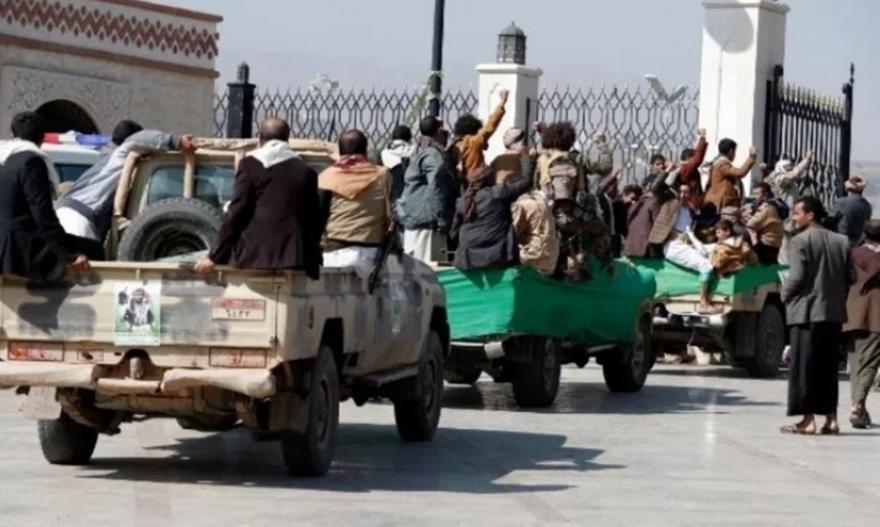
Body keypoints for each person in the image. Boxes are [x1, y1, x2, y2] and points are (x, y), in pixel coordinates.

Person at [195, 118, 321, 278]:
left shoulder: (250, 164)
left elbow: (238, 211)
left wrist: (214, 256)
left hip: (255, 256)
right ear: (287, 139)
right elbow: (313, 219)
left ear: (260, 138)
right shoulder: (306, 171)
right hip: (295, 258)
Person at [780, 196, 853, 435]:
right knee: (828, 368)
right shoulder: (842, 241)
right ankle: (831, 419)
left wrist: (784, 295)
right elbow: (851, 276)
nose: (794, 217)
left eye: (797, 213)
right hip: (832, 314)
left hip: (806, 312)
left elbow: (796, 276)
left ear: (810, 215)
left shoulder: (800, 241)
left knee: (804, 367)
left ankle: (808, 420)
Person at [55, 120, 196, 241]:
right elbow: (138, 139)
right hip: (77, 219)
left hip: (66, 217)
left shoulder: (106, 160)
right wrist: (176, 141)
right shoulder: (119, 155)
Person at [0, 112, 100, 281]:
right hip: (18, 248)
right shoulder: (31, 161)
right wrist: (67, 255)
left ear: (13, 135)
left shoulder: (4, 159)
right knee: (95, 249)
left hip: (8, 243)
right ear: (42, 138)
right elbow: (43, 215)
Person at [318, 130, 391, 276]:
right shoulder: (382, 175)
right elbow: (391, 213)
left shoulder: (327, 176)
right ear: (365, 150)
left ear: (340, 151)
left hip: (334, 251)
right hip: (370, 252)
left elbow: (319, 216)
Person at [450, 156, 534, 271]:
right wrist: (526, 156)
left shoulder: (461, 202)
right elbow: (526, 181)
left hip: (468, 260)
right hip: (499, 257)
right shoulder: (498, 194)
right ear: (490, 179)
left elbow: (453, 234)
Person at [396, 116, 456, 263]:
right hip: (426, 221)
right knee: (428, 267)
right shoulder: (433, 154)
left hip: (413, 215)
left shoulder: (417, 149)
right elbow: (436, 187)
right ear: (438, 132)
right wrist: (440, 217)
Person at [649, 183, 717, 312]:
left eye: (686, 192)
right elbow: (656, 188)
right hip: (673, 245)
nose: (683, 195)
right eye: (680, 192)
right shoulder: (671, 205)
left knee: (714, 250)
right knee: (706, 266)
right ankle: (703, 304)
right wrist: (670, 172)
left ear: (691, 195)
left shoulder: (691, 210)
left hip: (686, 244)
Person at [843, 220, 880, 429]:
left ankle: (860, 410)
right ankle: (857, 406)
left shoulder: (853, 254)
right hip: (876, 314)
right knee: (869, 363)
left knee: (856, 363)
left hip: (853, 312)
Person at [450, 89, 509, 182]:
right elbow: (490, 126)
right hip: (475, 182)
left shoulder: (455, 145)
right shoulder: (473, 142)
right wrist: (502, 102)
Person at [704, 139, 757, 210]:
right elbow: (740, 172)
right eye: (735, 151)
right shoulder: (721, 164)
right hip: (722, 204)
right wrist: (752, 157)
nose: (735, 154)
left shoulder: (720, 163)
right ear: (731, 151)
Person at [744, 182, 785, 264]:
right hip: (775, 240)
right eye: (754, 194)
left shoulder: (766, 207)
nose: (755, 196)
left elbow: (752, 224)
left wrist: (748, 217)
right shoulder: (774, 204)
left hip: (766, 242)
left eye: (757, 194)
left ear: (765, 194)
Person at [831, 177, 873, 248]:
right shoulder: (867, 205)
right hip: (858, 242)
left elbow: (831, 219)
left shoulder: (841, 202)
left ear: (847, 189)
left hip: (841, 240)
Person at [671, 128, 709, 206]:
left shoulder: (686, 168)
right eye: (693, 157)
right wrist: (702, 138)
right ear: (688, 158)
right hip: (689, 203)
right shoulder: (685, 168)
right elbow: (697, 159)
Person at [381, 124, 414, 205]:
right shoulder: (414, 151)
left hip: (392, 197)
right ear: (409, 138)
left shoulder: (384, 153)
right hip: (412, 196)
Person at [621, 184, 657, 259]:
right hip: (645, 250)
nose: (632, 202)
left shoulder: (633, 206)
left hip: (631, 249)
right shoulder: (653, 203)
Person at [598, 170, 626, 257]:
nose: (616, 189)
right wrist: (612, 177)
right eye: (614, 186)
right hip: (606, 236)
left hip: (615, 236)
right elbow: (600, 189)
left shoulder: (612, 201)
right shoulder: (602, 199)